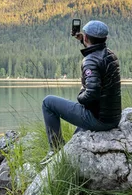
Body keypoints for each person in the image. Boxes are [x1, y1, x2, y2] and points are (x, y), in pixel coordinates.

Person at [41, 20, 121, 162]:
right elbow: (96, 52)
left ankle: (55, 150)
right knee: (76, 136)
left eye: (84, 36)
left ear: (86, 38)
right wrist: (82, 40)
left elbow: (92, 92)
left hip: (98, 120)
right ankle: (65, 150)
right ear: (105, 39)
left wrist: (80, 98)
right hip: (113, 118)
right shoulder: (111, 55)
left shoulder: (90, 61)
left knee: (48, 102)